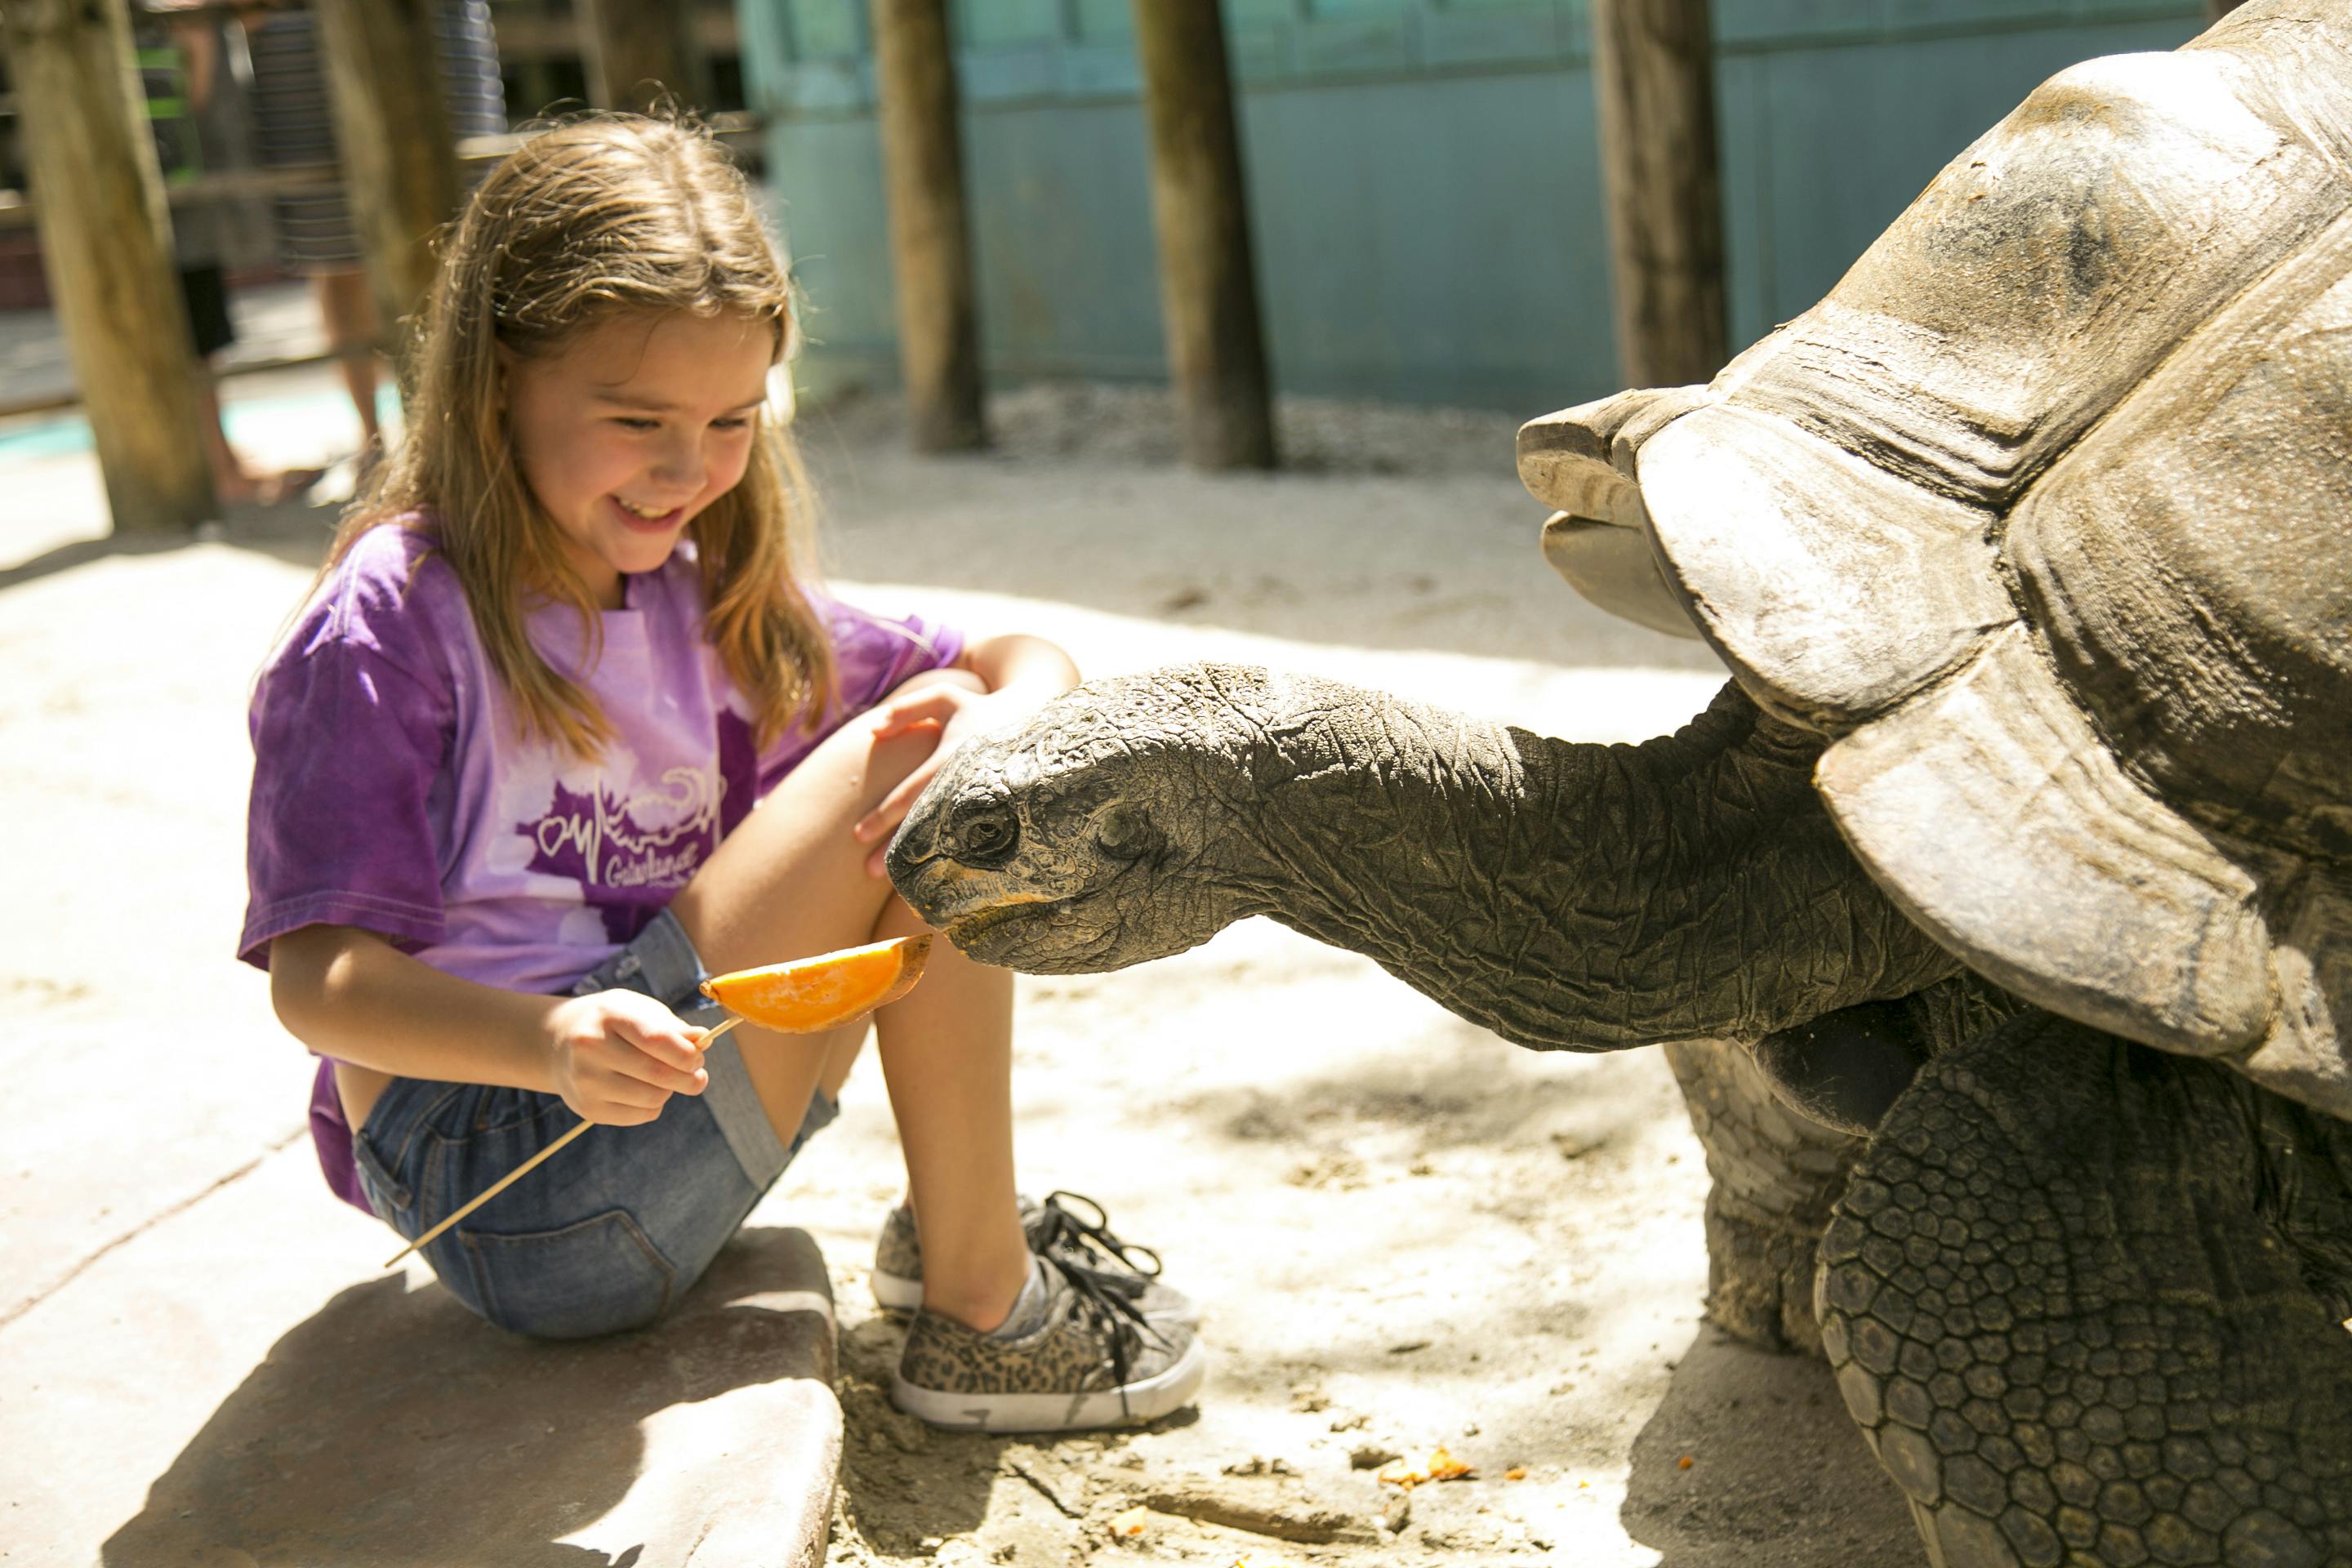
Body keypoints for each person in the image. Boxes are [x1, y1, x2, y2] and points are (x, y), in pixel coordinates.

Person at [238, 115, 1205, 1432]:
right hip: (510, 1177)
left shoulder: (713, 601)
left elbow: (1012, 652)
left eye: (732, 420)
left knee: (959, 736)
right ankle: (984, 1309)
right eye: (636, 419)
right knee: (917, 749)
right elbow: (318, 984)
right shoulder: (397, 616)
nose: (688, 470)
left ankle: (958, 1229)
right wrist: (548, 1037)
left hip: (661, 1111)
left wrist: (1020, 707)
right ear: (495, 382)